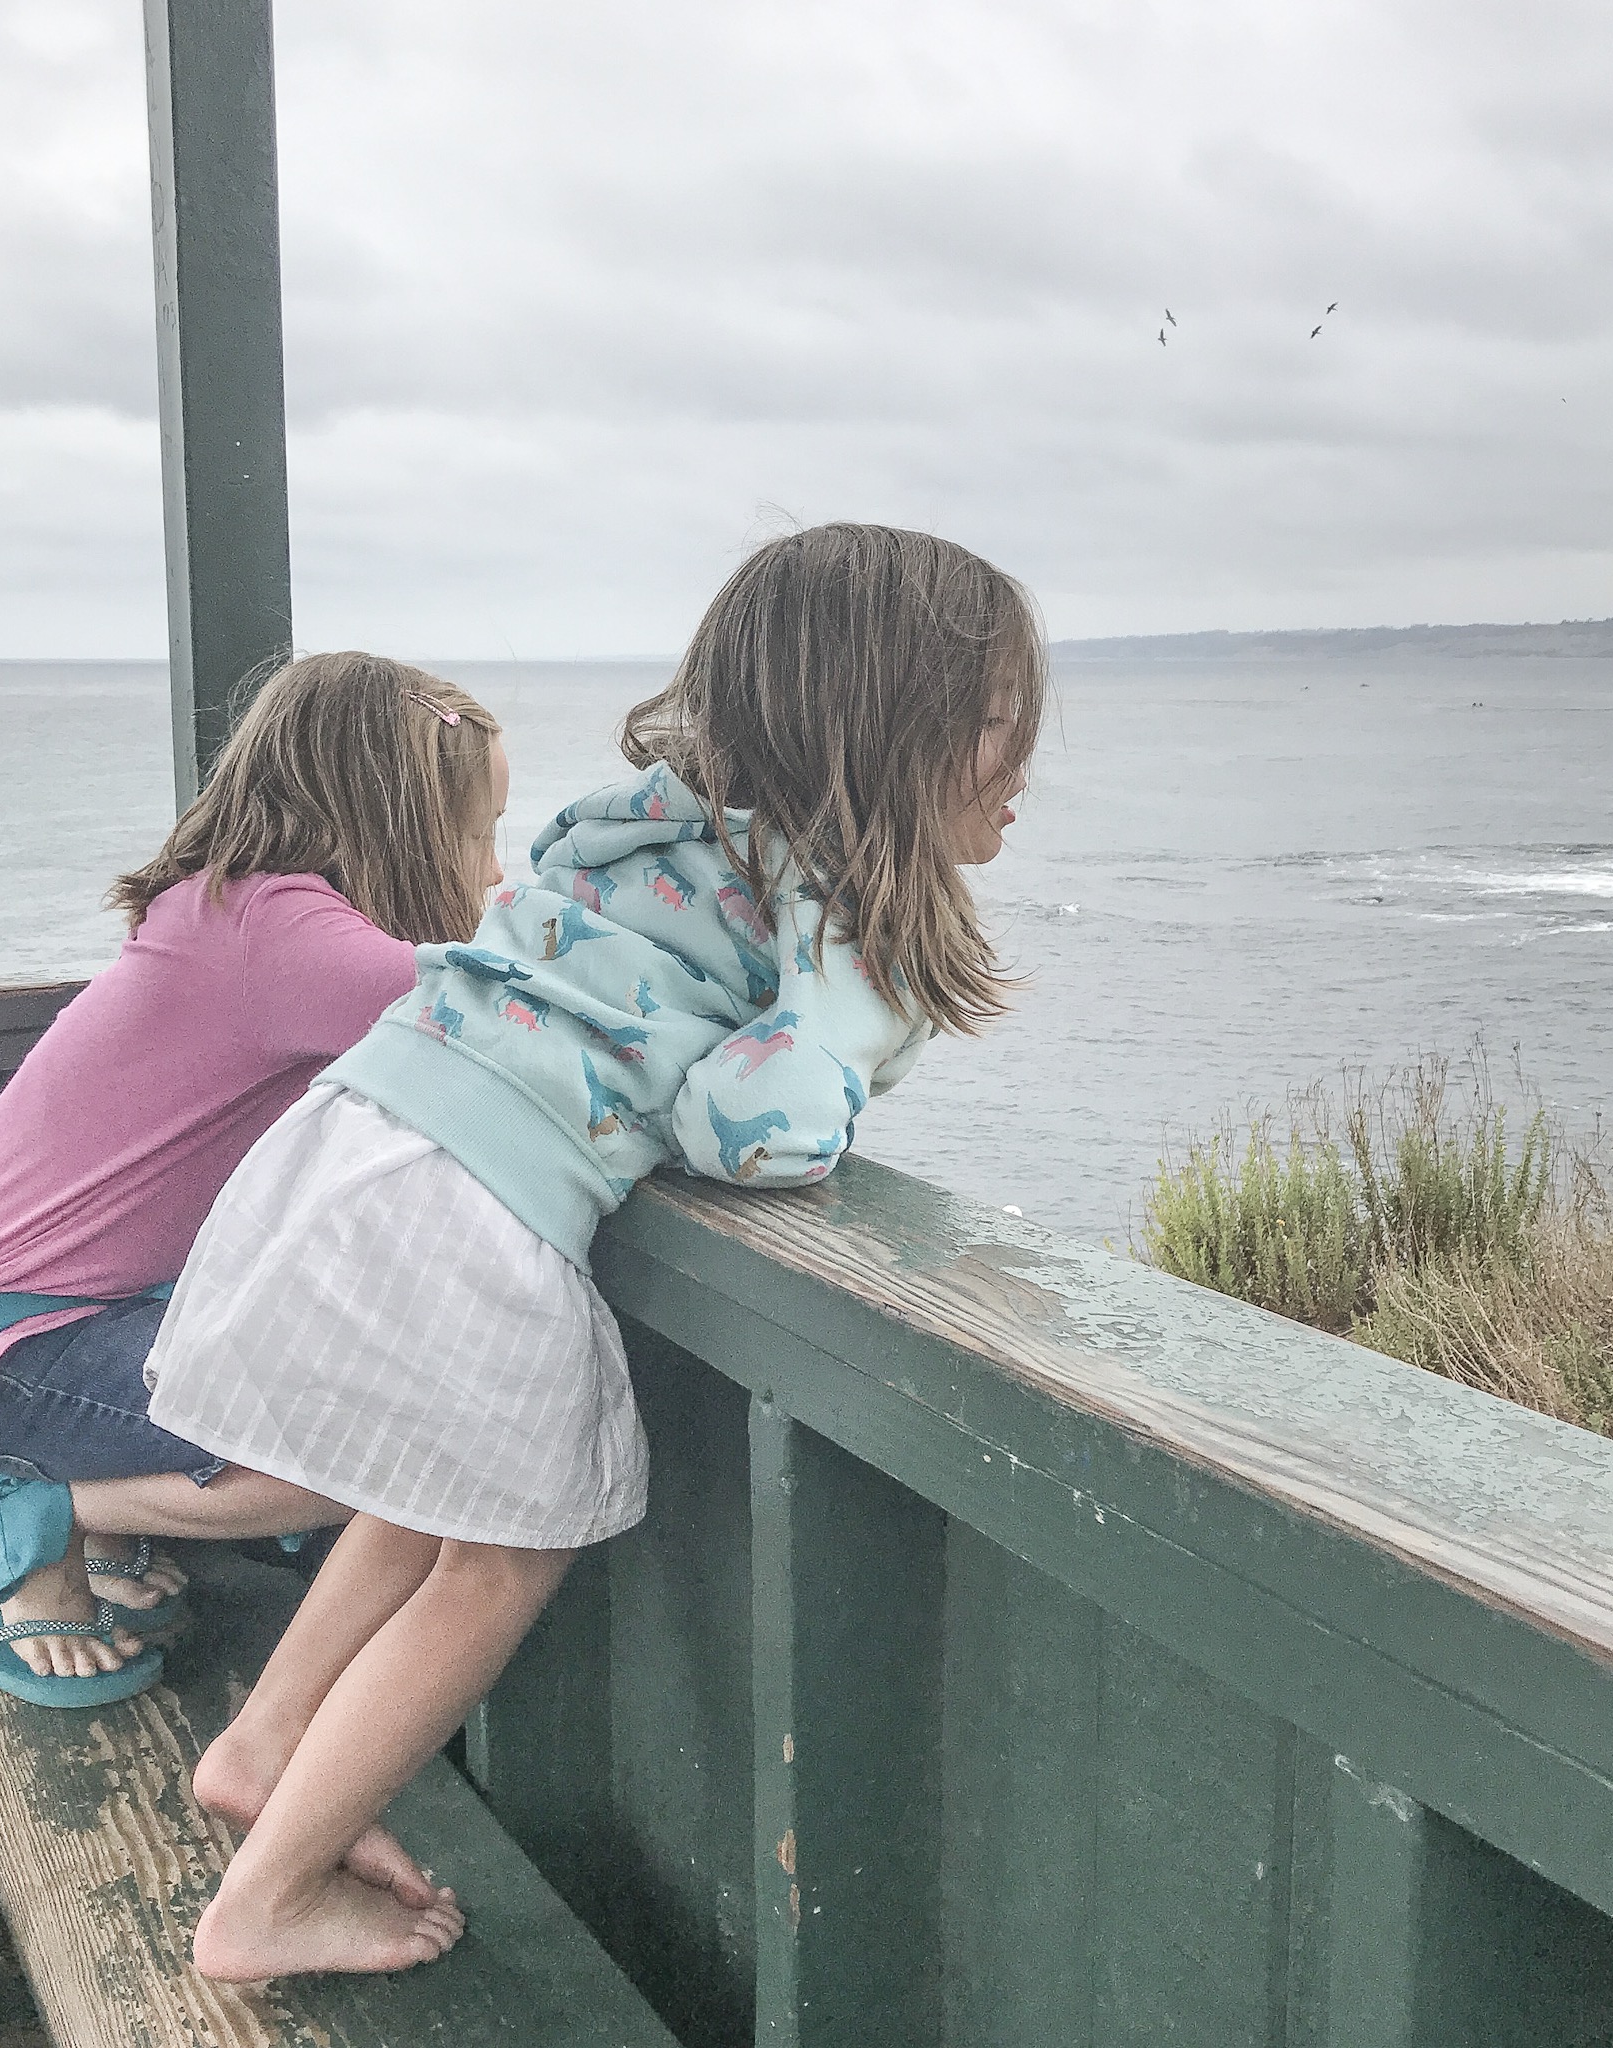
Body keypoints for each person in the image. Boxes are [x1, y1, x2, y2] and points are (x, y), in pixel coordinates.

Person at [137, 522, 1048, 1978]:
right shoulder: (823, 919)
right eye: (1004, 728)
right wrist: (849, 1028)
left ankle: (263, 1748)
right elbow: (743, 1128)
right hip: (477, 1196)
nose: (1023, 770)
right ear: (903, 733)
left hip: (367, 1131)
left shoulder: (655, 823)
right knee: (510, 1558)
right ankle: (267, 1900)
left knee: (431, 1493)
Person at [0, 652, 506, 1727]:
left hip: (65, 1322)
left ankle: (103, 1524)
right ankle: (42, 1508)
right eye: (477, 832)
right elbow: (505, 1026)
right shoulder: (279, 934)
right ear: (397, 818)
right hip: (3, 1359)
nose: (494, 870)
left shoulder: (233, 911)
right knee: (380, 1453)